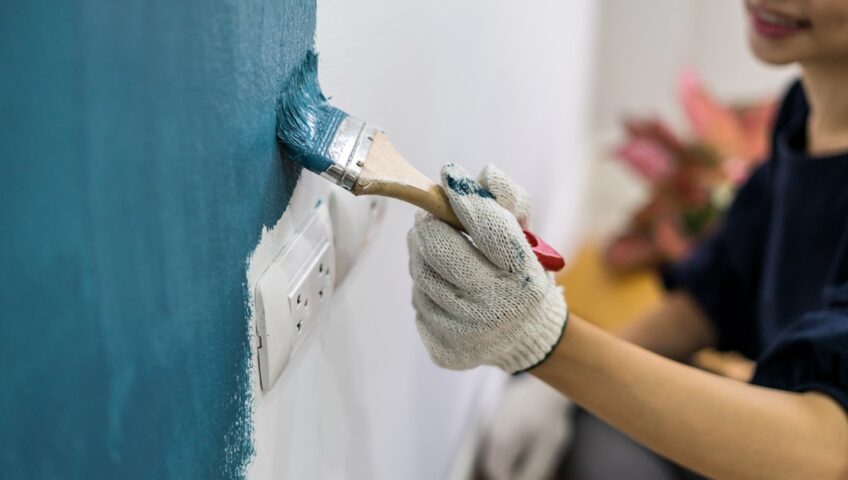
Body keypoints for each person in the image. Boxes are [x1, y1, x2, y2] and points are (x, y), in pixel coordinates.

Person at [406, 1, 848, 478]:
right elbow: (723, 289)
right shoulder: (804, 113)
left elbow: (829, 448)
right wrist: (552, 388)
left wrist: (543, 340)